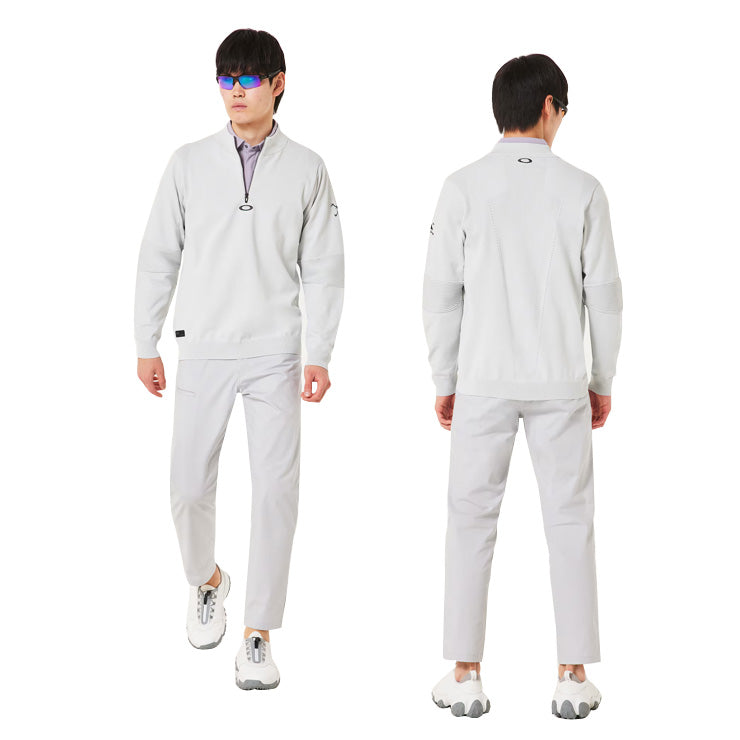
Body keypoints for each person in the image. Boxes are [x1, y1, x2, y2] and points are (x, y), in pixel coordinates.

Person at [133, 28, 344, 691]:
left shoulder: (307, 168)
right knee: (187, 488)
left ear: (278, 84)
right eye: (226, 79)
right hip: (203, 345)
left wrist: (320, 351)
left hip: (275, 350)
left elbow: (325, 267)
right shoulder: (188, 163)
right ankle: (208, 580)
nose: (235, 92)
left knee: (276, 492)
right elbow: (158, 255)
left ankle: (258, 632)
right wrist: (145, 340)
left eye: (248, 79)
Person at [423, 53, 622, 719]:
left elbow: (440, 293)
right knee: (570, 521)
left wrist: (444, 376)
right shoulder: (584, 189)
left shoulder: (462, 187)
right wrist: (602, 377)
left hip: (481, 378)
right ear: (548, 108)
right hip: (561, 380)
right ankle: (572, 675)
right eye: (562, 110)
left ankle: (465, 673)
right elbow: (606, 297)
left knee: (469, 521)